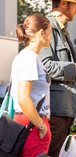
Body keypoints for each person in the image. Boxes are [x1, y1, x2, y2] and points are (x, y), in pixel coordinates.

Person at [39, 0, 76, 157]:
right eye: (75, 6)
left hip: (66, 107)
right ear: (63, 4)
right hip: (56, 108)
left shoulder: (62, 30)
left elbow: (64, 69)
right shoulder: (47, 27)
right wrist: (75, 68)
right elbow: (45, 66)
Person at [11, 14, 52, 156]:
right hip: (32, 124)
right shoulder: (29, 58)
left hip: (31, 122)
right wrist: (41, 126)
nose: (50, 37)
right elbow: (23, 98)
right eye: (50, 32)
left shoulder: (29, 57)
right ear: (42, 33)